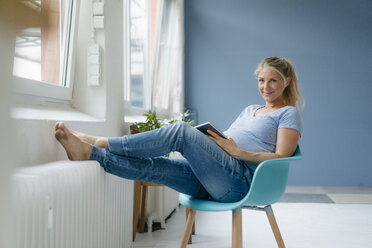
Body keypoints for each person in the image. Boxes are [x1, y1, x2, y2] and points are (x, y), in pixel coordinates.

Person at [55, 57, 304, 203]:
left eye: (273, 80)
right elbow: (227, 140)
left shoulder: (288, 113)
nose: (266, 86)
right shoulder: (250, 109)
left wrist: (239, 153)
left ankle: (100, 141)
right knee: (155, 167)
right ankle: (90, 153)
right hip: (214, 175)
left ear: (286, 82)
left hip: (239, 182)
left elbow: (282, 156)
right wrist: (211, 144)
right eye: (262, 80)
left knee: (181, 132)